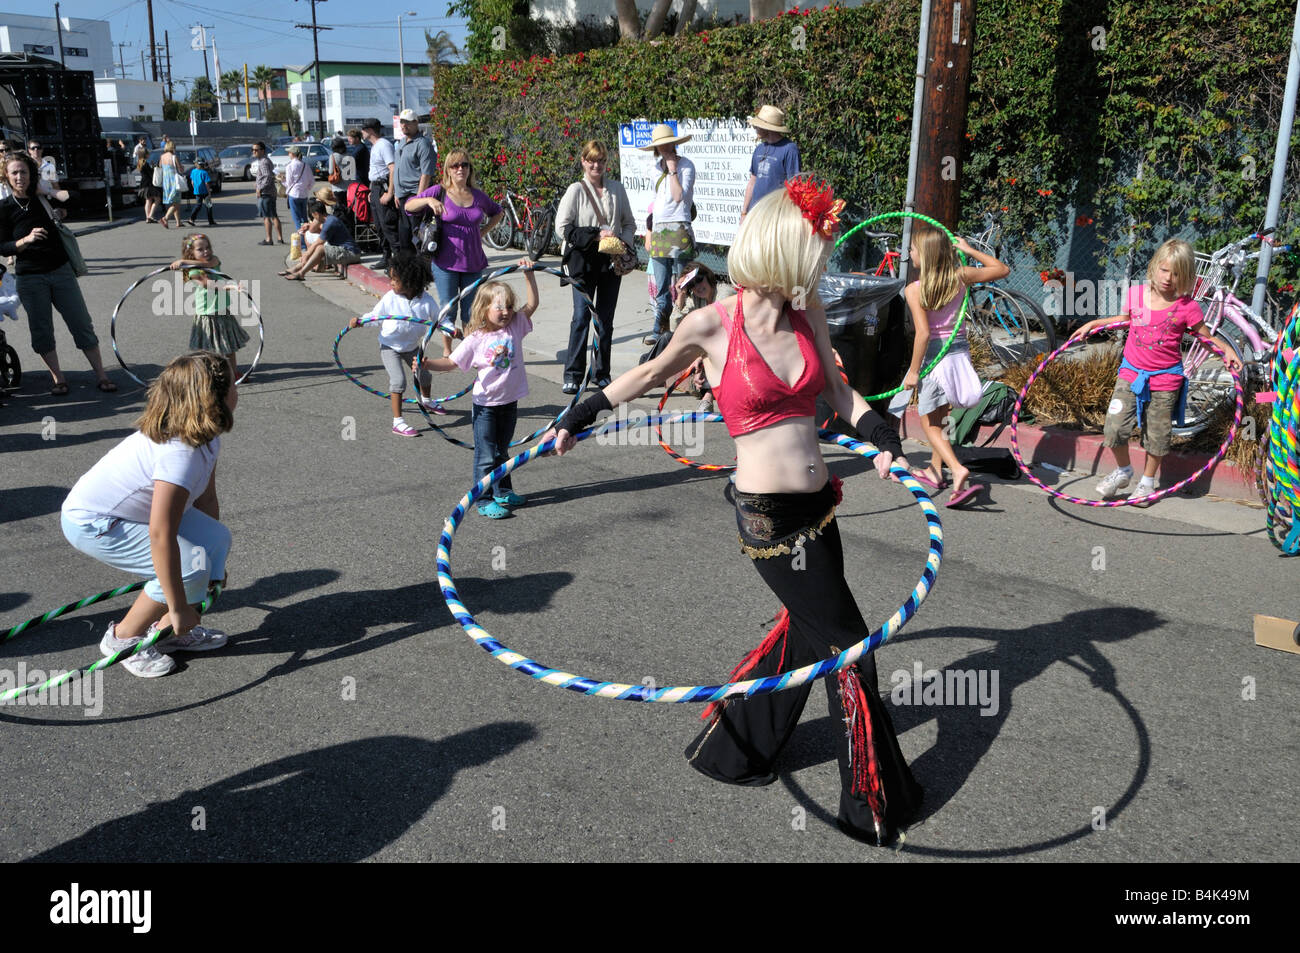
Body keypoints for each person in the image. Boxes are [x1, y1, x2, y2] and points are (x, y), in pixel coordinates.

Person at [545, 177, 923, 845]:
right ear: (783, 251)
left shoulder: (805, 313)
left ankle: (737, 747)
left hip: (821, 506)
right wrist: (581, 413)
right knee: (850, 650)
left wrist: (887, 440)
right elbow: (647, 376)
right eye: (813, 253)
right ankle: (871, 803)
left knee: (807, 633)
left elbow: (840, 394)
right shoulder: (712, 324)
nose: (820, 266)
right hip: (769, 517)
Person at [60, 351, 234, 678]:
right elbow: (160, 533)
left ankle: (170, 631)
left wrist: (214, 569)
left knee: (215, 542)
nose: (239, 388)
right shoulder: (178, 455)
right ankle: (123, 637)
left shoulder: (206, 437)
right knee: (187, 565)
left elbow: (207, 500)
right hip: (94, 523)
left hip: (136, 514)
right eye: (233, 383)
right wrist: (181, 602)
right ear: (215, 399)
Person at [1073, 238, 1244, 504]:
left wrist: (1227, 351)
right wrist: (1094, 323)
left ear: (1186, 277)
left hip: (1166, 378)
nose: (1168, 278)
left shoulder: (1188, 307)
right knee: (1114, 427)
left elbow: (1205, 337)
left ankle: (1147, 482)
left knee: (1157, 434)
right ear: (1154, 267)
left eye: (1177, 274)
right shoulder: (1137, 295)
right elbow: (1125, 322)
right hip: (1131, 372)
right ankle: (1123, 471)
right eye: (1164, 270)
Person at [419, 260, 539, 519]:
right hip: (486, 405)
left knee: (503, 451)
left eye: (508, 305)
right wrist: (428, 363)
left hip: (510, 401)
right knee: (485, 455)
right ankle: (483, 499)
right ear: (484, 309)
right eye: (499, 307)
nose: (506, 311)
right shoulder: (476, 339)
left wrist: (529, 275)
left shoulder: (515, 326)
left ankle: (502, 490)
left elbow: (531, 306)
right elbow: (452, 362)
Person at [902, 225, 1008, 508]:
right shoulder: (961, 276)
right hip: (959, 354)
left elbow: (923, 334)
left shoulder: (914, 289)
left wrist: (913, 371)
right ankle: (936, 472)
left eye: (912, 249)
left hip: (934, 359)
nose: (908, 253)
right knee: (941, 415)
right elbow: (1001, 269)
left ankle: (957, 468)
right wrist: (969, 250)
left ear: (924, 255)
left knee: (928, 423)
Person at [0, 150, 116, 395]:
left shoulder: (43, 198)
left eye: (24, 172)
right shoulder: (4, 208)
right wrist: (25, 241)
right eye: (14, 173)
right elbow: (3, 246)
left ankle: (101, 375)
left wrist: (50, 192)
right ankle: (58, 378)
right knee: (42, 331)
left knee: (81, 323)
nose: (20, 177)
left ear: (31, 174)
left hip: (60, 271)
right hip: (30, 277)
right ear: (6, 177)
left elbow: (77, 199)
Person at [555, 139, 637, 394]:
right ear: (583, 162)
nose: (596, 165)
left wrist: (621, 242)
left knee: (605, 320)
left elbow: (630, 223)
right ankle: (573, 374)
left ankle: (601, 372)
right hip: (582, 263)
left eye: (600, 160)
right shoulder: (575, 190)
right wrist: (594, 236)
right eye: (591, 160)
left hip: (610, 264)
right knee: (581, 317)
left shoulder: (617, 189)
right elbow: (561, 228)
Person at [403, 149, 503, 355]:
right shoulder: (438, 191)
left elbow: (498, 212)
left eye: (464, 165)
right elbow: (409, 206)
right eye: (455, 165)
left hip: (473, 261)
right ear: (448, 169)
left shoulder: (477, 195)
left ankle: (468, 351)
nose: (460, 169)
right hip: (445, 262)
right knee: (448, 308)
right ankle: (448, 351)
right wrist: (428, 201)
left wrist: (483, 231)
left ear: (469, 169)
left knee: (472, 311)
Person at [347, 251, 444, 437]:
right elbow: (376, 317)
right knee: (398, 381)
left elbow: (438, 320)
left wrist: (450, 329)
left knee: (425, 376)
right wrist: (360, 321)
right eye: (390, 279)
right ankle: (397, 422)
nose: (391, 283)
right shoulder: (391, 298)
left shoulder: (426, 301)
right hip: (390, 347)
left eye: (395, 280)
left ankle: (426, 400)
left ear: (410, 282)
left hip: (412, 346)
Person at [640, 123, 696, 347]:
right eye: (659, 146)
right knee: (661, 283)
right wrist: (649, 231)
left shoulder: (686, 166)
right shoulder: (655, 168)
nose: (664, 149)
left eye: (667, 144)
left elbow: (678, 197)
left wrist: (673, 170)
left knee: (684, 281)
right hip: (661, 229)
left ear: (674, 143)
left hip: (680, 227)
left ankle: (686, 324)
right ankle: (660, 328)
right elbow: (657, 204)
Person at [170, 233, 248, 379]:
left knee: (229, 347)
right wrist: (229, 287)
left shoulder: (214, 261)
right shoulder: (193, 271)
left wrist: (183, 261)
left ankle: (233, 373)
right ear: (191, 253)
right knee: (208, 350)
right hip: (207, 314)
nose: (206, 251)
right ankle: (208, 375)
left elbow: (211, 264)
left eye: (208, 247)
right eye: (200, 249)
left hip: (222, 311)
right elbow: (208, 284)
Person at [740, 105, 800, 223]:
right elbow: (752, 182)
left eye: (759, 125)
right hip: (755, 214)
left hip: (775, 216)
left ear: (768, 128)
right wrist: (744, 212)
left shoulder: (789, 149)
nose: (755, 127)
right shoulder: (759, 149)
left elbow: (795, 186)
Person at [280, 199, 361, 280]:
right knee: (317, 248)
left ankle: (301, 273)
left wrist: (307, 254)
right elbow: (314, 231)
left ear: (316, 214)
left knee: (320, 248)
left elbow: (318, 242)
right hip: (345, 251)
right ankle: (296, 269)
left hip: (351, 253)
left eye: (314, 216)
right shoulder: (329, 219)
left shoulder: (330, 223)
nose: (314, 218)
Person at [393, 109, 437, 254]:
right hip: (402, 196)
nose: (404, 125)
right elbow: (397, 168)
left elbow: (426, 174)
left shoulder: (423, 144)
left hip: (414, 195)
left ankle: (421, 269)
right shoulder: (401, 143)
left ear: (416, 123)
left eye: (408, 122)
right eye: (402, 122)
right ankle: (408, 269)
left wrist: (419, 199)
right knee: (404, 237)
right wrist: (396, 193)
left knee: (417, 237)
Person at [361, 118, 398, 269]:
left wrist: (390, 192)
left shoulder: (384, 145)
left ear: (370, 130)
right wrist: (371, 190)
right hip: (376, 188)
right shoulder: (375, 146)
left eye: (363, 129)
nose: (361, 133)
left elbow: (393, 168)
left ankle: (396, 261)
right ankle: (386, 256)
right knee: (380, 226)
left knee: (388, 225)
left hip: (383, 188)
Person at [252, 142, 284, 246]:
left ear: (262, 150)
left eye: (256, 150)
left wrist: (259, 188)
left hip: (266, 193)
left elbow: (267, 176)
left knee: (266, 217)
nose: (254, 152)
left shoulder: (264, 162)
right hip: (270, 192)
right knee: (274, 215)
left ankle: (269, 239)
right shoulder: (266, 161)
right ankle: (279, 237)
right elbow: (272, 173)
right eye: (252, 150)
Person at [284, 146, 313, 231]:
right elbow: (312, 181)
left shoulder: (289, 166)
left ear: (292, 154)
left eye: (289, 153)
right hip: (304, 195)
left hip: (294, 194)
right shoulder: (305, 165)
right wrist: (306, 188)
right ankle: (307, 239)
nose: (288, 154)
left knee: (297, 220)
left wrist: (282, 181)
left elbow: (289, 183)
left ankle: (302, 242)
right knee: (304, 218)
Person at [157, 141, 183, 230]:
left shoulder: (162, 156)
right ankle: (165, 218)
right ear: (172, 147)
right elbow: (180, 169)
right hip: (174, 181)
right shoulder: (174, 157)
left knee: (175, 202)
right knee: (176, 202)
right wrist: (181, 168)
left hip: (166, 182)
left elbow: (160, 166)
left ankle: (178, 222)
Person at [185, 158, 216, 227]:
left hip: (197, 191)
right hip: (205, 191)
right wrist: (209, 192)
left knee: (198, 205)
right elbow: (207, 184)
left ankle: (191, 219)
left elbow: (192, 182)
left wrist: (194, 189)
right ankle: (211, 221)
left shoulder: (193, 171)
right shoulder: (204, 172)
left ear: (196, 164)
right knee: (209, 205)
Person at [327, 138, 356, 206]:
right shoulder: (350, 155)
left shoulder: (333, 156)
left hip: (338, 187)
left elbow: (331, 171)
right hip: (350, 187)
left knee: (340, 210)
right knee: (349, 208)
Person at [137, 154, 162, 224]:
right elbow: (151, 174)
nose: (149, 155)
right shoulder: (145, 164)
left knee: (148, 200)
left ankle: (148, 217)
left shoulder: (140, 162)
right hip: (149, 183)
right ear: (145, 154)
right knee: (157, 199)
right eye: (147, 153)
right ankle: (150, 216)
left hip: (144, 183)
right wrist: (154, 167)